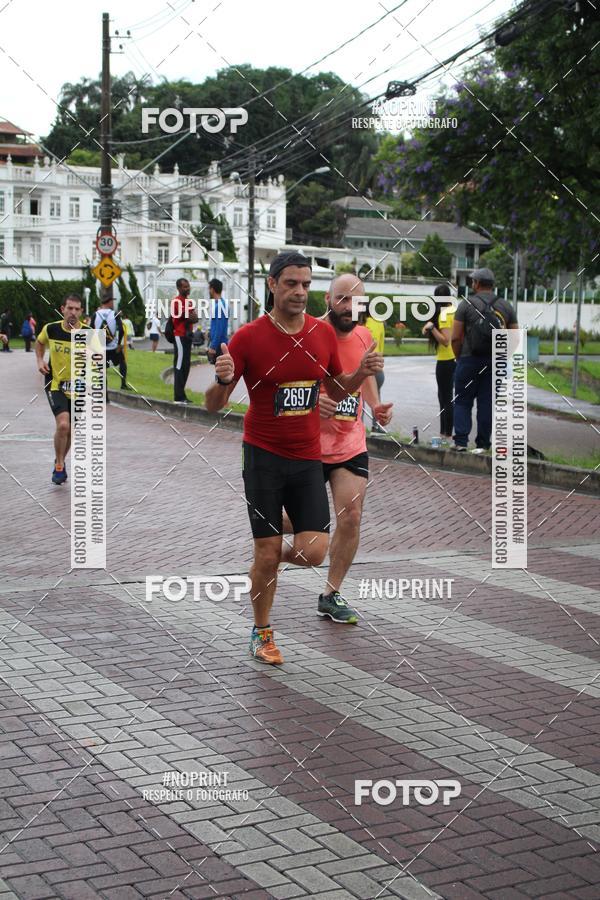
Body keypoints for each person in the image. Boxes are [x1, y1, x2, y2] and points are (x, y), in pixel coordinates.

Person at [204, 252, 383, 666]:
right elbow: (213, 406)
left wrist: (360, 373)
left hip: (307, 458)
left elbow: (336, 391)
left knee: (314, 551)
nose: (300, 292)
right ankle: (262, 632)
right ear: (272, 285)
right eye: (291, 284)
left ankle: (261, 562)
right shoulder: (249, 338)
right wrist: (222, 377)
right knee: (268, 552)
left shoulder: (320, 335)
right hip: (263, 457)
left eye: (305, 284)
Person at [317, 274, 393, 622]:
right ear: (327, 300)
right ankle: (268, 531)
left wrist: (375, 408)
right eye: (342, 299)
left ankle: (331, 594)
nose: (350, 307)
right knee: (303, 526)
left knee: (351, 517)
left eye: (356, 301)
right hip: (309, 444)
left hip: (349, 442)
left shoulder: (365, 335)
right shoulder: (310, 334)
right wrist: (315, 400)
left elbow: (366, 379)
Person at [451, 267, 518, 453]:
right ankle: (483, 444)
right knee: (487, 402)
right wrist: (503, 357)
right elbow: (515, 338)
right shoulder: (506, 306)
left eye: (473, 281)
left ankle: (461, 442)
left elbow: (455, 337)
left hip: (468, 360)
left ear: (477, 284)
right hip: (495, 361)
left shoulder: (465, 304)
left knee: (463, 401)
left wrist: (459, 357)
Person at [35, 294, 85, 484]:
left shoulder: (88, 334)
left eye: (77, 309)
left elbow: (97, 360)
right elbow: (40, 343)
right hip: (55, 383)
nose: (73, 312)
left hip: (78, 387)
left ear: (81, 311)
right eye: (69, 308)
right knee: (63, 425)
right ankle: (59, 466)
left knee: (71, 430)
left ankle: (60, 460)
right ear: (62, 309)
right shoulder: (51, 329)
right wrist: (40, 360)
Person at [422, 285, 456, 442]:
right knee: (444, 396)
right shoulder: (452, 311)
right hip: (453, 359)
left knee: (445, 397)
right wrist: (429, 327)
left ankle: (447, 434)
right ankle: (444, 433)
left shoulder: (444, 315)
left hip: (446, 360)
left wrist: (433, 328)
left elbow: (445, 341)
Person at [91, 296, 127, 391]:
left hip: (100, 347)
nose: (113, 303)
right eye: (112, 301)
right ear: (109, 302)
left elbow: (90, 330)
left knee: (101, 370)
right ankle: (123, 384)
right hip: (114, 347)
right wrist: (119, 344)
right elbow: (121, 330)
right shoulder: (114, 314)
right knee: (122, 363)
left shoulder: (95, 314)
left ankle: (103, 391)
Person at [171, 277, 197, 403]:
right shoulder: (176, 302)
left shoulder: (189, 302)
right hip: (179, 336)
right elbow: (185, 315)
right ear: (179, 288)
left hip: (188, 336)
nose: (187, 288)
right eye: (184, 286)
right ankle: (178, 396)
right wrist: (190, 315)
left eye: (188, 286)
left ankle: (182, 395)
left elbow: (194, 317)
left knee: (186, 366)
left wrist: (191, 316)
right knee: (179, 365)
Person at [364, 308, 386, 432]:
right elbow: (381, 346)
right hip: (376, 366)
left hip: (361, 366)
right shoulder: (379, 323)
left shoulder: (357, 324)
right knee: (376, 399)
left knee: (358, 398)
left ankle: (358, 425)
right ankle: (377, 426)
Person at [206, 278, 228, 364]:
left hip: (220, 345)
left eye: (209, 289)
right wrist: (210, 332)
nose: (209, 291)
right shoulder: (219, 304)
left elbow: (219, 329)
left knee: (220, 374)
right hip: (220, 343)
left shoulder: (220, 306)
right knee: (219, 373)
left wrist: (213, 346)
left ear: (212, 289)